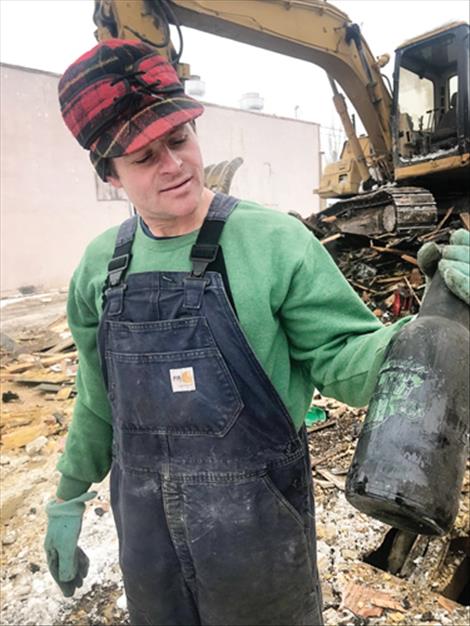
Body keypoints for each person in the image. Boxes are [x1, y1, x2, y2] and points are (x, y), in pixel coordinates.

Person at [44, 39, 470, 626]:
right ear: (108, 172)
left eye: (179, 139)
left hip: (258, 541)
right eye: (144, 157)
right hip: (146, 546)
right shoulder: (100, 267)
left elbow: (345, 360)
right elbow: (98, 399)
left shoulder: (273, 243)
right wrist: (68, 495)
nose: (174, 165)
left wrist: (434, 329)